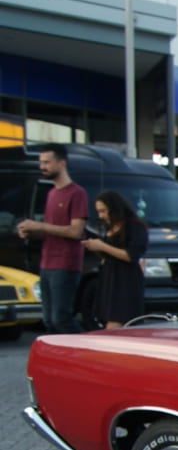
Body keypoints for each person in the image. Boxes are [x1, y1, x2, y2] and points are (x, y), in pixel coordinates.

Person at [17, 143, 88, 333]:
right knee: (48, 320)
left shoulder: (76, 193)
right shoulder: (51, 193)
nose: (43, 167)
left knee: (61, 319)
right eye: (41, 162)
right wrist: (32, 231)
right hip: (46, 263)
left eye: (47, 162)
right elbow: (52, 230)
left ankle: (85, 350)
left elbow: (75, 231)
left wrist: (40, 225)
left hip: (65, 263)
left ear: (62, 163)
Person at [81, 189, 147, 329]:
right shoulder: (110, 226)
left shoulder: (134, 226)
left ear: (114, 208)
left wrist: (103, 246)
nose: (101, 215)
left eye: (104, 211)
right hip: (110, 278)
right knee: (110, 320)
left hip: (125, 280)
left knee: (116, 323)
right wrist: (96, 248)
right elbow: (110, 254)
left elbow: (131, 255)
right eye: (98, 212)